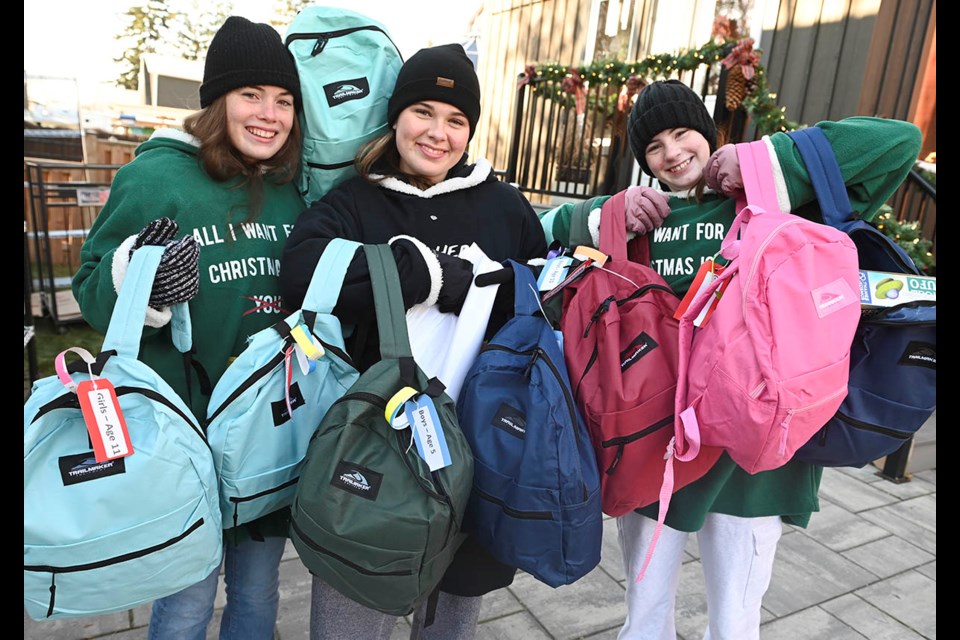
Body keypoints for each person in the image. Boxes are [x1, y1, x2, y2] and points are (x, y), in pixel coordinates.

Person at [538, 79, 921, 640]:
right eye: (653, 147)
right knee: (644, 617)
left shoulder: (777, 195)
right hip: (658, 449)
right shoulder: (647, 219)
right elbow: (535, 234)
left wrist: (770, 158)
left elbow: (899, 143)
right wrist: (602, 216)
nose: (672, 153)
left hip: (756, 458)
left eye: (681, 133)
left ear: (710, 132)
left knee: (736, 622)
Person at [280, 43, 547, 640]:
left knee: (452, 616)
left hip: (472, 446)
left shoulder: (504, 205)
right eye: (423, 111)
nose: (437, 132)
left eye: (456, 120)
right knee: (353, 609)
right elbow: (301, 271)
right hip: (372, 452)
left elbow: (538, 300)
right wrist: (424, 276)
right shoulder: (355, 200)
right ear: (396, 116)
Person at [72, 16, 305, 640]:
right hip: (183, 438)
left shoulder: (291, 188)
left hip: (265, 437)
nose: (269, 114)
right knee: (186, 604)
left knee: (258, 592)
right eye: (250, 95)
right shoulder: (155, 177)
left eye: (284, 100)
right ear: (215, 102)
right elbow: (92, 288)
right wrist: (136, 279)